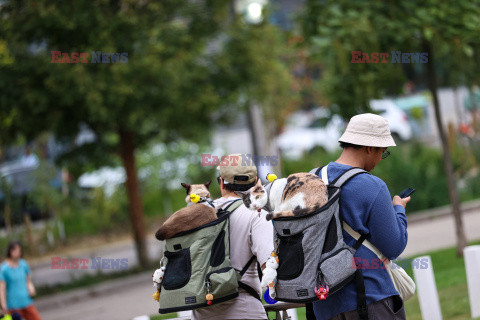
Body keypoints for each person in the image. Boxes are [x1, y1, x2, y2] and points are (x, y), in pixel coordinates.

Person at [312, 113, 410, 320]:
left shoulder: (310, 179)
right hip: (369, 299)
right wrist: (398, 209)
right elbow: (394, 246)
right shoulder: (371, 186)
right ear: (370, 147)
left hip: (323, 305)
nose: (380, 159)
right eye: (382, 152)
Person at [191, 154, 273, 320]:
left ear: (221, 182)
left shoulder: (197, 214)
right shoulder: (257, 215)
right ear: (256, 181)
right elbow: (269, 269)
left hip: (201, 311)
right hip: (244, 309)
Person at [0, 242, 42, 320]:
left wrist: (31, 288)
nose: (17, 253)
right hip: (13, 305)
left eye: (18, 250)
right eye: (14, 250)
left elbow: (28, 281)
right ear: (10, 251)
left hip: (27, 301)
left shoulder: (23, 264)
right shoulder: (4, 268)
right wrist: (3, 305)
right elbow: (1, 289)